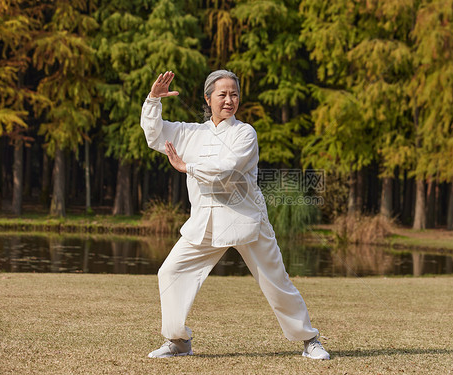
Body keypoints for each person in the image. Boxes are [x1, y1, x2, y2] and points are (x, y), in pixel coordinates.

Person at [140, 69, 330, 360]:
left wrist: (187, 168)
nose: (229, 100)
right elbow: (154, 135)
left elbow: (227, 169)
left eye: (234, 94)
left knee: (275, 280)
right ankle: (178, 341)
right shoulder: (191, 133)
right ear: (208, 98)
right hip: (204, 223)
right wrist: (154, 99)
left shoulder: (245, 133)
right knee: (170, 272)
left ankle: (310, 340)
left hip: (246, 220)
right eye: (222, 94)